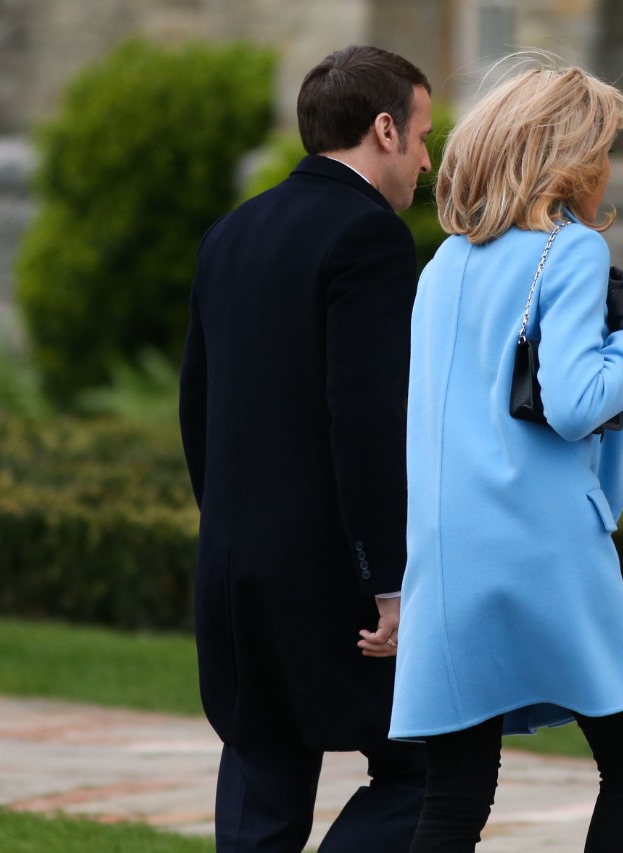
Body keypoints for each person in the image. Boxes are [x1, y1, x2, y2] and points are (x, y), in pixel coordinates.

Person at [388, 60, 623, 852]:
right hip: (543, 543)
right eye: (605, 148)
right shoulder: (571, 250)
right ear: (573, 157)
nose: (610, 166)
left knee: (455, 795)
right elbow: (577, 401)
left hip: (449, 552)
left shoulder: (443, 265)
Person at [178, 45, 433, 852]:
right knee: (434, 771)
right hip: (332, 589)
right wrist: (389, 582)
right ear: (384, 130)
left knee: (263, 780)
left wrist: (228, 528)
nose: (428, 159)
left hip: (230, 571)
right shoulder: (372, 238)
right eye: (425, 135)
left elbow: (197, 409)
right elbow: (365, 422)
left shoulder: (231, 231)